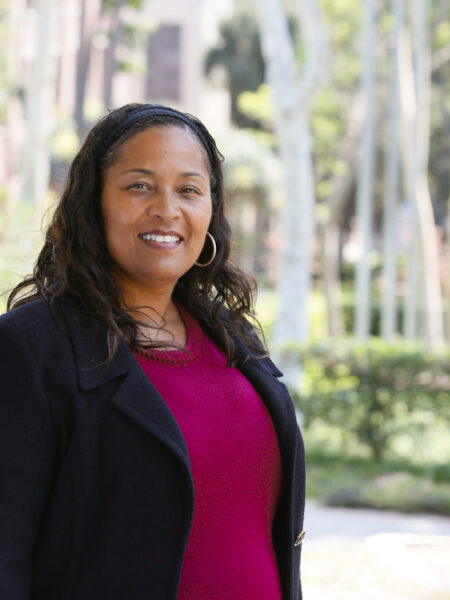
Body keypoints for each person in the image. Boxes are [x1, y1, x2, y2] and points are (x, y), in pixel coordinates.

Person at [0, 103, 305, 600]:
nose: (167, 208)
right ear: (92, 201)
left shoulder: (233, 340)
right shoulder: (30, 349)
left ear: (210, 209)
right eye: (139, 185)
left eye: (189, 189)